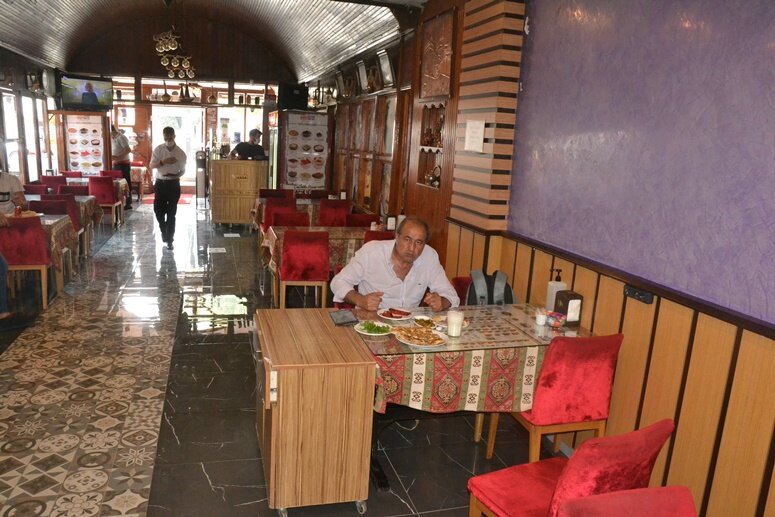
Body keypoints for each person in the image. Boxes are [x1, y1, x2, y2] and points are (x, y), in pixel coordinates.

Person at [331, 216, 459, 311]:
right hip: (371, 322)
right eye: (407, 239)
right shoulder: (371, 252)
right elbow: (338, 282)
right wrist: (361, 300)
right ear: (396, 237)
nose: (411, 248)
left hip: (409, 328)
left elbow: (450, 295)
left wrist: (442, 302)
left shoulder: (429, 256)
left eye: (418, 242)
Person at [149, 127, 186, 250]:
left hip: (173, 184)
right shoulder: (158, 150)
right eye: (166, 139)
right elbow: (151, 165)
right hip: (160, 183)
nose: (168, 141)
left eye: (170, 139)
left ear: (174, 137)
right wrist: (163, 162)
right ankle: (163, 228)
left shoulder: (180, 153)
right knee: (158, 211)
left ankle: (169, 239)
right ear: (163, 137)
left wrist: (176, 175)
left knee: (171, 213)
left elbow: (183, 170)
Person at [111, 124, 133, 210]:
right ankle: (119, 201)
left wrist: (118, 157)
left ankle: (128, 203)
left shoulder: (121, 137)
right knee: (117, 183)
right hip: (115, 164)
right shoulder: (111, 138)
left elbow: (128, 150)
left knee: (126, 183)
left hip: (124, 164)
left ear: (111, 130)